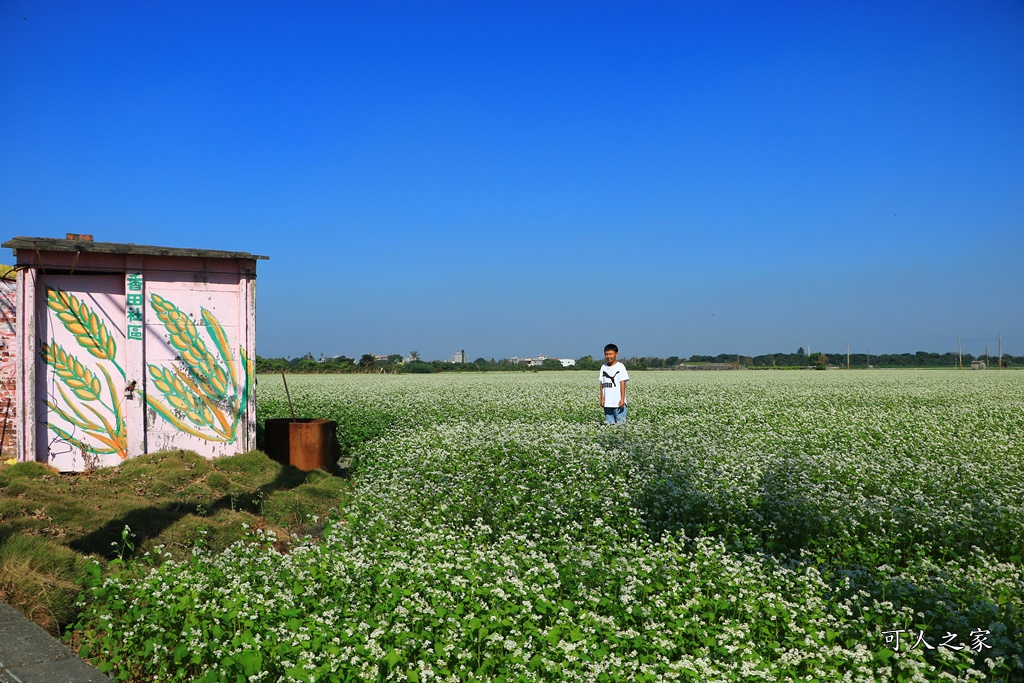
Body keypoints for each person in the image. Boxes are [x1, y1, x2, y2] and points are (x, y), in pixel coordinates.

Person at [599, 343, 629, 424]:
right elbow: (601, 384)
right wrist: (602, 398)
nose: (608, 356)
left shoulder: (620, 366)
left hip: (618, 402)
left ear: (616, 354)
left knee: (621, 424)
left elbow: (623, 383)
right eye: (606, 354)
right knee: (610, 424)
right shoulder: (603, 367)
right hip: (607, 402)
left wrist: (622, 399)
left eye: (610, 354)